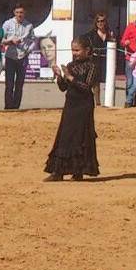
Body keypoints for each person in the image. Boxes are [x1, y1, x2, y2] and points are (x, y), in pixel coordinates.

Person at [44, 36, 99, 181]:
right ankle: (59, 171)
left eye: (77, 50)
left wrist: (70, 77)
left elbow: (87, 87)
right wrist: (60, 77)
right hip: (71, 104)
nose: (74, 53)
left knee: (81, 137)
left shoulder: (92, 66)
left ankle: (78, 171)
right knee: (65, 136)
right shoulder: (71, 65)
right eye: (73, 50)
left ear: (87, 50)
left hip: (84, 106)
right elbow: (64, 88)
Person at [1, 5, 35, 110]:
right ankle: (8, 107)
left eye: (21, 12)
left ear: (24, 13)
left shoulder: (29, 25)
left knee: (19, 84)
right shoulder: (7, 24)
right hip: (10, 56)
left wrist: (28, 51)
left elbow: (33, 40)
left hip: (23, 57)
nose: (19, 15)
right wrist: (10, 41)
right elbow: (1, 40)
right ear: (14, 13)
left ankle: (16, 107)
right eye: (17, 12)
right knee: (9, 84)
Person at [82, 12, 114, 106]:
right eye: (98, 21)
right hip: (94, 59)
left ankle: (109, 101)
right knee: (95, 82)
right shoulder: (90, 34)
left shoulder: (110, 33)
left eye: (102, 21)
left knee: (109, 80)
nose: (100, 23)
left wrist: (112, 38)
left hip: (107, 60)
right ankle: (98, 102)